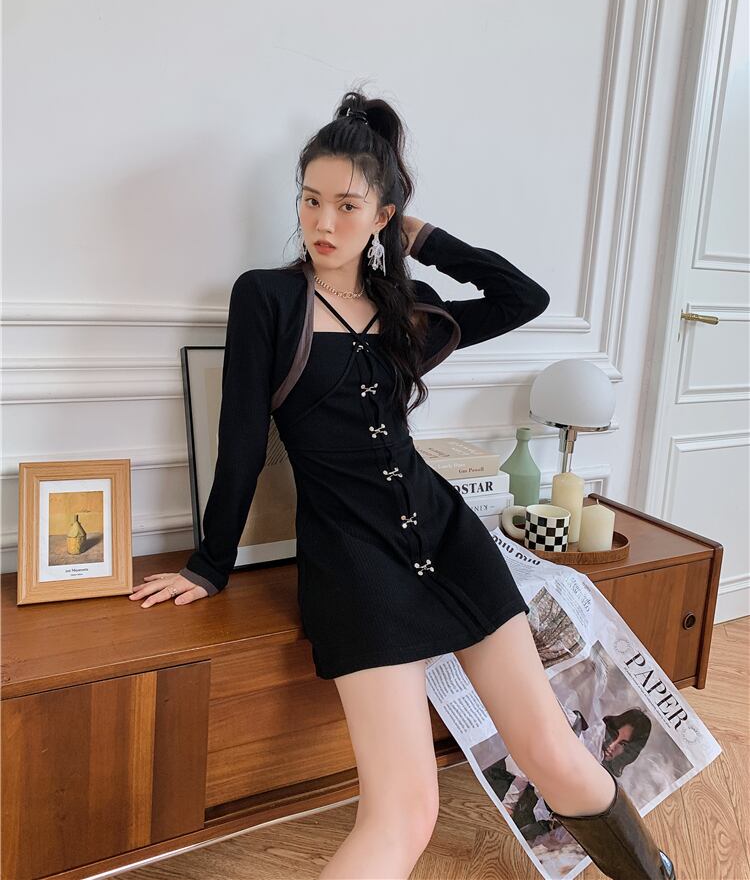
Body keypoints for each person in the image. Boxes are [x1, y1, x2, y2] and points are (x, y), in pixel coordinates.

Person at [128, 88, 677, 880]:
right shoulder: (267, 298)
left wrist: (422, 237)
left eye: (348, 206)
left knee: (556, 756)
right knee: (405, 812)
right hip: (355, 567)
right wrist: (208, 565)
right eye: (310, 200)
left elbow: (524, 298)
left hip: (451, 542)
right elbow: (240, 443)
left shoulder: (407, 307)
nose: (323, 222)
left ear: (382, 215)